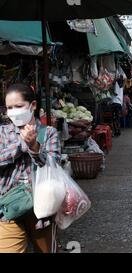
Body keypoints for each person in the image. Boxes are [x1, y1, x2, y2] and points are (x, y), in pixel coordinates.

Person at [0, 83, 61, 253]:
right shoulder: (3, 133)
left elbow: (53, 165)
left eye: (18, 106)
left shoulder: (49, 133)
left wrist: (35, 148)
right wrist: (22, 144)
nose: (13, 111)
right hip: (9, 209)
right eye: (9, 108)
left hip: (42, 211)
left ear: (32, 106)